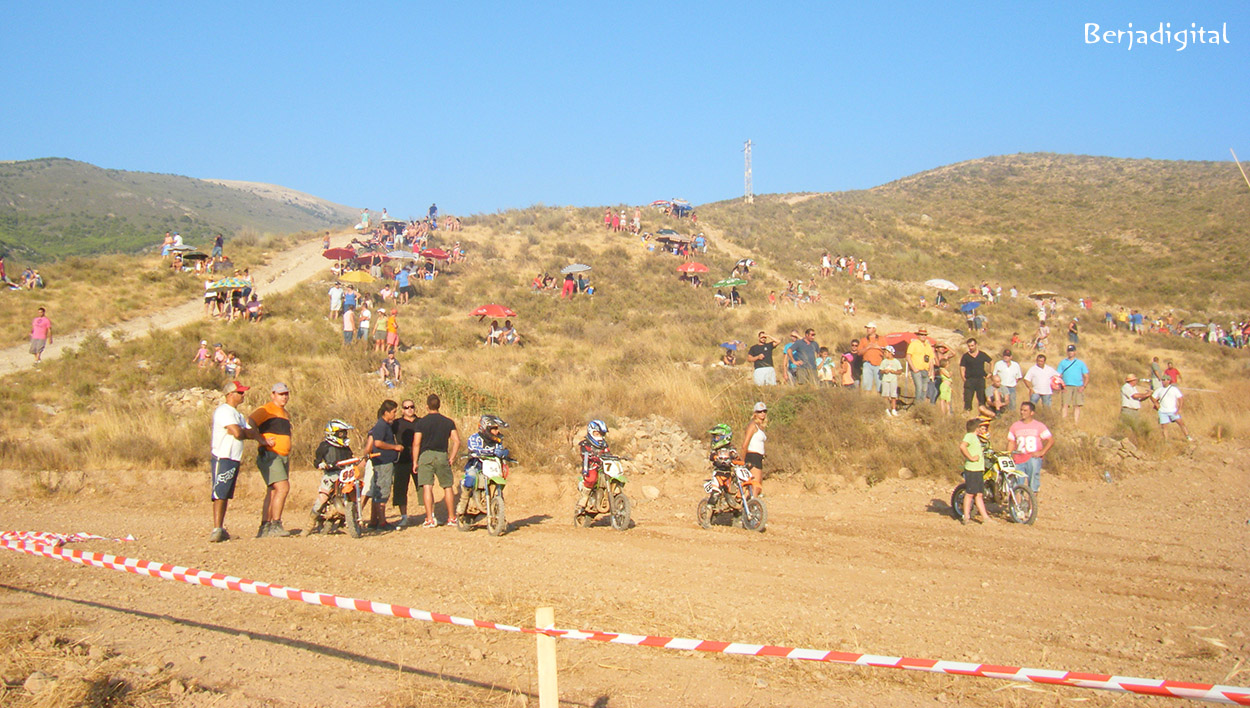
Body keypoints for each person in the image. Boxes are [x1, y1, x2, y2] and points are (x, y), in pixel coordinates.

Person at [209, 381, 262, 542]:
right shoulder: (223, 411)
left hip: (233, 457)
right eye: (240, 393)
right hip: (223, 455)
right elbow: (237, 432)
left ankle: (220, 528)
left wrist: (248, 433)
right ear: (230, 395)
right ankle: (217, 528)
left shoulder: (237, 415)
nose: (243, 395)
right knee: (220, 492)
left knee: (225, 493)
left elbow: (249, 432)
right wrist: (245, 433)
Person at [249, 383, 294, 538]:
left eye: (286, 394)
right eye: (281, 394)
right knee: (282, 488)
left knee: (273, 490)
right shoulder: (267, 409)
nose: (284, 397)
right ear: (272, 394)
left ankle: (265, 527)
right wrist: (261, 439)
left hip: (282, 456)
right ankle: (276, 524)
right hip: (271, 454)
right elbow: (251, 422)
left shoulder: (284, 413)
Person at [413, 394, 461, 527]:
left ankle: (429, 518)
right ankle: (451, 518)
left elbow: (416, 443)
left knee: (427, 487)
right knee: (447, 486)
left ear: (427, 406)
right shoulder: (448, 422)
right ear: (439, 406)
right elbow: (457, 441)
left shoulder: (421, 423)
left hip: (426, 455)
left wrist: (415, 461)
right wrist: (452, 457)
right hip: (441, 455)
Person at [309, 419, 359, 533]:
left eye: (345, 433)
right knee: (323, 497)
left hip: (345, 474)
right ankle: (310, 523)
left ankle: (348, 518)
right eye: (341, 433)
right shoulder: (325, 446)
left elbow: (351, 458)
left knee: (354, 491)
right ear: (333, 433)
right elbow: (316, 462)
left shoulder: (346, 447)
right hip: (331, 474)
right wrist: (322, 465)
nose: (344, 435)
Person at [458, 414, 509, 518]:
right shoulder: (474, 438)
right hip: (477, 465)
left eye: (497, 429)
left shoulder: (497, 440)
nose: (496, 431)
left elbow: (501, 449)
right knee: (471, 477)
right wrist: (491, 451)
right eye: (494, 429)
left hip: (492, 466)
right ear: (485, 428)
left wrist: (504, 452)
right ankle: (463, 504)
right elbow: (473, 447)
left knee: (500, 477)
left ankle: (499, 512)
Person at [363, 400, 404, 529]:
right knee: (383, 492)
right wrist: (395, 447)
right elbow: (378, 443)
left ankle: (374, 521)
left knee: (377, 491)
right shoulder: (381, 426)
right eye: (393, 412)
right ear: (386, 412)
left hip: (382, 462)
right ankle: (382, 521)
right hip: (383, 462)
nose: (394, 414)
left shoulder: (384, 425)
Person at [1008, 402, 1053, 495]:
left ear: (1031, 412)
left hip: (1033, 458)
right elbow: (1011, 442)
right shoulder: (1015, 426)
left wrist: (1042, 452)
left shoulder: (1039, 426)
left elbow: (1050, 440)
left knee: (1033, 483)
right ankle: (1018, 507)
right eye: (1021, 410)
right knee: (1016, 484)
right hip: (1018, 458)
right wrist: (1008, 455)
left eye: (1025, 410)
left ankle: (1031, 506)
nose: (1022, 412)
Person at [391, 399, 422, 527]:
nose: (409, 409)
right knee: (400, 489)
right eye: (406, 407)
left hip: (418, 460)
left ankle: (430, 515)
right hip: (401, 459)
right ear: (402, 410)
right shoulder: (396, 423)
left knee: (423, 487)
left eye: (412, 407)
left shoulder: (420, 422)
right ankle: (404, 517)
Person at [958, 418, 993, 525]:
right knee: (969, 494)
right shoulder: (969, 436)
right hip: (972, 469)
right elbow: (962, 446)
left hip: (978, 469)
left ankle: (985, 518)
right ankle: (966, 516)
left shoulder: (976, 438)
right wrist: (971, 457)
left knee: (979, 494)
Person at [575, 419, 611, 514]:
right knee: (592, 478)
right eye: (597, 433)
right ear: (591, 432)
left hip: (603, 466)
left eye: (601, 434)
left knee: (612, 475)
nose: (600, 436)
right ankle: (584, 498)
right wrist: (588, 454)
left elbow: (608, 452)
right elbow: (584, 453)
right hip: (591, 465)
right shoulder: (585, 443)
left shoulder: (604, 444)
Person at [1057, 345, 1090, 423]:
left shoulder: (1080, 363)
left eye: (1072, 351)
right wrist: (1061, 387)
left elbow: (1086, 376)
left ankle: (1076, 422)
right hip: (1066, 386)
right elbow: (1058, 375)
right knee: (1065, 404)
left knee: (1077, 405)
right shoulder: (1063, 362)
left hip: (1078, 386)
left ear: (1075, 352)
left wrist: (1083, 386)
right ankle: (1064, 421)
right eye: (1069, 351)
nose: (1070, 353)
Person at [742, 402, 768, 496]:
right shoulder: (753, 425)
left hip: (758, 457)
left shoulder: (760, 427)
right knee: (756, 486)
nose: (762, 413)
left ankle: (745, 505)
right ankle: (751, 506)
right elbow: (745, 444)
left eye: (764, 411)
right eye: (760, 411)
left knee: (756, 486)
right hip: (752, 456)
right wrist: (742, 459)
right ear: (755, 413)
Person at [959, 338, 992, 411]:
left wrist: (990, 373)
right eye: (969, 346)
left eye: (972, 345)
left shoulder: (982, 354)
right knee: (967, 399)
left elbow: (991, 361)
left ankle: (983, 414)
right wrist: (963, 378)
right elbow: (962, 367)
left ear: (976, 345)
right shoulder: (965, 356)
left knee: (982, 399)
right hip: (969, 380)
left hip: (980, 379)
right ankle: (967, 414)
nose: (971, 347)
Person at [907, 327, 935, 405]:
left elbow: (931, 359)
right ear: (918, 335)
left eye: (925, 335)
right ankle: (917, 405)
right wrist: (913, 368)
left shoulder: (928, 346)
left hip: (925, 370)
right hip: (917, 370)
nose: (923, 336)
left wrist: (931, 371)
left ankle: (921, 406)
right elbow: (908, 356)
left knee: (924, 389)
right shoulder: (914, 344)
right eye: (921, 334)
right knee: (919, 388)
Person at [880, 346, 903, 416]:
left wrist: (894, 372)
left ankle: (893, 409)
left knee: (893, 395)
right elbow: (881, 370)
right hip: (885, 380)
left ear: (891, 353)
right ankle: (886, 409)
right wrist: (884, 371)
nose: (885, 354)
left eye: (886, 352)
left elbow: (900, 371)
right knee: (885, 395)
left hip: (893, 380)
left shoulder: (896, 361)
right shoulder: (884, 362)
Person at [860, 325, 884, 392]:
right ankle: (867, 399)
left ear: (874, 329)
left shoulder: (881, 339)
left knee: (879, 383)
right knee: (866, 384)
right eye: (867, 328)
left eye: (869, 328)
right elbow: (859, 352)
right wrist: (867, 347)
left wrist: (878, 347)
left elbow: (888, 351)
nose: (867, 330)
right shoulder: (863, 340)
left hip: (879, 363)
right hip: (867, 363)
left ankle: (879, 399)